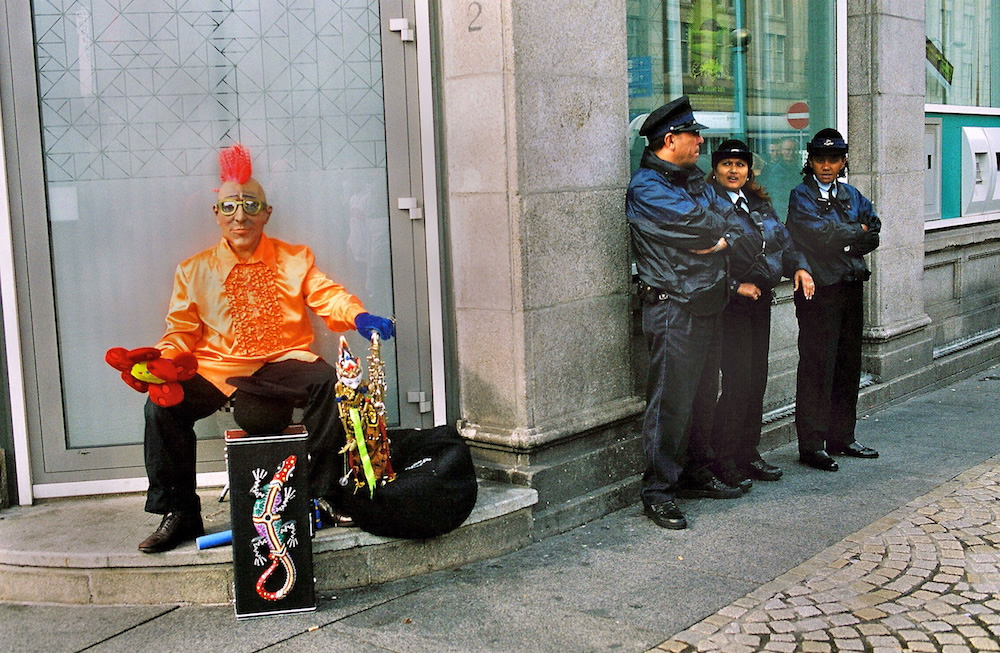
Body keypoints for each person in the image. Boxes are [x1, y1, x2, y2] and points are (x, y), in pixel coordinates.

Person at [135, 144, 395, 553]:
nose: (240, 216)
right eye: (230, 207)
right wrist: (161, 362)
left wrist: (357, 316)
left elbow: (326, 295)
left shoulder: (295, 259)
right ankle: (180, 512)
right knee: (161, 406)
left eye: (250, 205)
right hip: (218, 367)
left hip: (283, 361)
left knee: (330, 383)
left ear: (266, 212)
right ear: (217, 214)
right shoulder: (193, 270)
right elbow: (181, 331)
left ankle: (321, 495)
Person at [626, 96, 745, 531]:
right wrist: (715, 235)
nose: (701, 141)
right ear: (669, 139)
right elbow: (709, 225)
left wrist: (715, 237)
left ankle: (695, 473)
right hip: (674, 306)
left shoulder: (691, 179)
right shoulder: (647, 187)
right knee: (670, 404)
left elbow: (726, 221)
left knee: (700, 398)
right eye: (694, 134)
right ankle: (657, 491)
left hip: (706, 300)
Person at [706, 139, 814, 489]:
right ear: (716, 169)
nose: (734, 171)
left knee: (756, 380)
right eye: (726, 165)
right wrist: (735, 285)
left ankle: (747, 453)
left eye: (740, 165)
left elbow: (784, 241)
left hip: (760, 300)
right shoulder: (707, 205)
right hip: (728, 304)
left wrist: (798, 267)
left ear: (749, 169)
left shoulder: (758, 203)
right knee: (737, 382)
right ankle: (722, 459)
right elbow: (700, 259)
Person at [785, 128, 881, 472]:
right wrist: (854, 235)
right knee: (816, 367)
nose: (827, 166)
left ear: (843, 162)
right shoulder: (801, 196)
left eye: (834, 159)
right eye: (820, 159)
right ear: (810, 162)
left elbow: (875, 230)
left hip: (850, 286)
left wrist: (843, 238)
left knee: (847, 364)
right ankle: (812, 445)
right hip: (819, 291)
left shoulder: (853, 195)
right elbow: (815, 235)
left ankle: (843, 436)